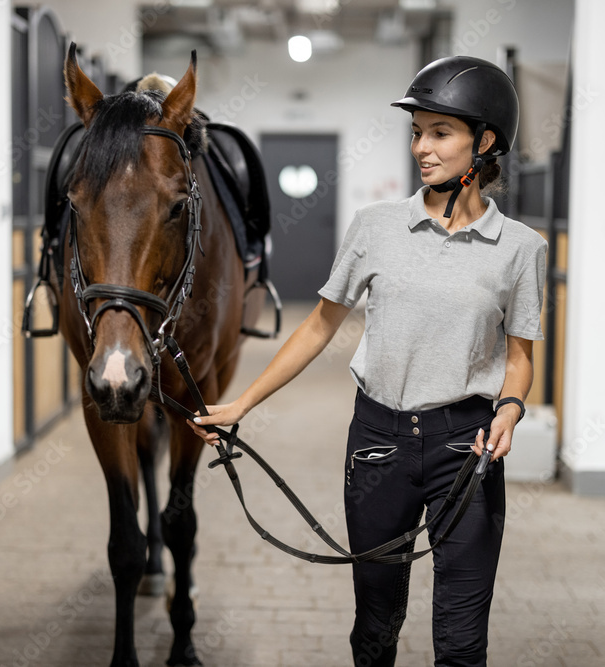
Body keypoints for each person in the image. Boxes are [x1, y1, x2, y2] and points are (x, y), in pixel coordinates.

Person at [189, 55, 547, 667]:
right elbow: (318, 326)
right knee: (375, 626)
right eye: (417, 133)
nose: (421, 149)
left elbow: (519, 355)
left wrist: (511, 408)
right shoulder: (376, 227)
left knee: (462, 639)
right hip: (378, 440)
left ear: (484, 141)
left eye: (440, 133)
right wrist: (243, 402)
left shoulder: (521, 248)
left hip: (468, 443)